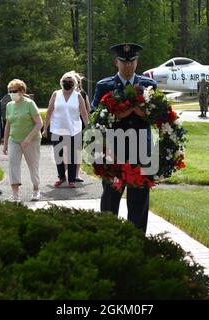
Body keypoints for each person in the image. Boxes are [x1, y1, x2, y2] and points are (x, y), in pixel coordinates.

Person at [91, 43, 157, 234]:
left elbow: (158, 114)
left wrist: (142, 112)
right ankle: (108, 236)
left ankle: (136, 239)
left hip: (140, 149)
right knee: (111, 196)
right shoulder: (105, 86)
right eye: (123, 62)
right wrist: (115, 115)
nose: (128, 66)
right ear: (116, 62)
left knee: (139, 198)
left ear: (137, 62)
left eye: (131, 61)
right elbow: (95, 115)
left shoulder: (148, 85)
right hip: (114, 149)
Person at [42, 71, 89, 188]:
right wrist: (45, 128)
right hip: (57, 129)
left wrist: (88, 128)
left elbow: (83, 113)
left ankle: (72, 179)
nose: (67, 83)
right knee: (59, 155)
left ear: (74, 84)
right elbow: (49, 111)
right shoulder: (55, 94)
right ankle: (61, 177)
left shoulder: (78, 96)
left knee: (73, 156)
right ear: (61, 82)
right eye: (65, 81)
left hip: (74, 130)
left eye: (70, 82)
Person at [3, 79, 43, 202]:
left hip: (31, 140)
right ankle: (15, 194)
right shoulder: (9, 105)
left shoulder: (29, 104)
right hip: (14, 140)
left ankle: (36, 189)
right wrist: (5, 144)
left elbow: (39, 123)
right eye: (9, 91)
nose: (11, 94)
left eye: (14, 91)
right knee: (13, 165)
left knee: (33, 165)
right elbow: (8, 125)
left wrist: (28, 138)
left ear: (21, 91)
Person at [72, 71, 91, 183]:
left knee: (78, 149)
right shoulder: (62, 94)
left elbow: (88, 109)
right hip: (67, 125)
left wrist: (88, 124)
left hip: (79, 124)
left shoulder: (83, 94)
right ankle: (65, 173)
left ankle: (76, 174)